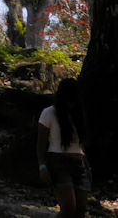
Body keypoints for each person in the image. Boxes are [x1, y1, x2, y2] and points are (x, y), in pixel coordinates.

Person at [37, 77, 90, 217]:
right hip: (58, 162)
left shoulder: (79, 114)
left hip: (79, 164)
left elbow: (81, 145)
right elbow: (41, 143)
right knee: (68, 208)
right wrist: (42, 166)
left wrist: (87, 166)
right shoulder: (48, 113)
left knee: (80, 210)